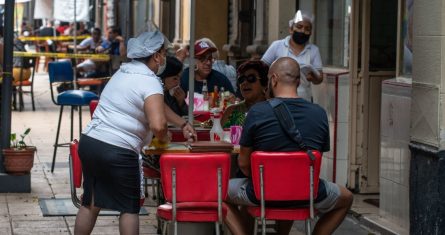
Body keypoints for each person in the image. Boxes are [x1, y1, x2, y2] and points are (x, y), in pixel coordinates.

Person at [74, 30, 196, 235]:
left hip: (91, 142)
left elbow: (156, 105)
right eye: (164, 53)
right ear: (156, 56)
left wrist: (182, 123)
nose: (165, 58)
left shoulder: (124, 72)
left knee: (91, 203)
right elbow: (158, 124)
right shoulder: (150, 81)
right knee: (129, 208)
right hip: (118, 150)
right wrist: (165, 138)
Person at [224, 57, 353, 235]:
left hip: (261, 193)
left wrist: (269, 179)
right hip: (306, 192)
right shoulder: (320, 114)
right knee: (346, 198)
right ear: (299, 81)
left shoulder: (257, 112)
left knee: (216, 191)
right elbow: (316, 160)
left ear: (274, 79)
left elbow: (244, 164)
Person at [261, 10, 323, 102]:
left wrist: (314, 77)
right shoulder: (277, 46)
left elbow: (319, 78)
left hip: (304, 100)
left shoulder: (314, 50)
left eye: (307, 29)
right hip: (278, 99)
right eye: (299, 27)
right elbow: (262, 67)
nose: (303, 31)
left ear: (310, 33)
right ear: (291, 29)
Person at [221, 60, 268, 128]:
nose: (244, 83)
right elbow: (218, 137)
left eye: (251, 78)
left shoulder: (273, 112)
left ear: (264, 84)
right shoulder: (231, 111)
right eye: (241, 79)